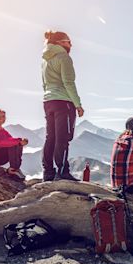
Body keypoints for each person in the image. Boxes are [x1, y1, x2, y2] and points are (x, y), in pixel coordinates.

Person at [41, 30, 83, 181]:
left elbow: (44, 83)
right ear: (60, 43)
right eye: (69, 41)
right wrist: (77, 104)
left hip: (48, 101)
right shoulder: (64, 57)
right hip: (64, 102)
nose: (71, 45)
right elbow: (68, 82)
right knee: (63, 137)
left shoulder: (45, 59)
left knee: (50, 137)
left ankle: (48, 173)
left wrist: (49, 97)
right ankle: (63, 172)